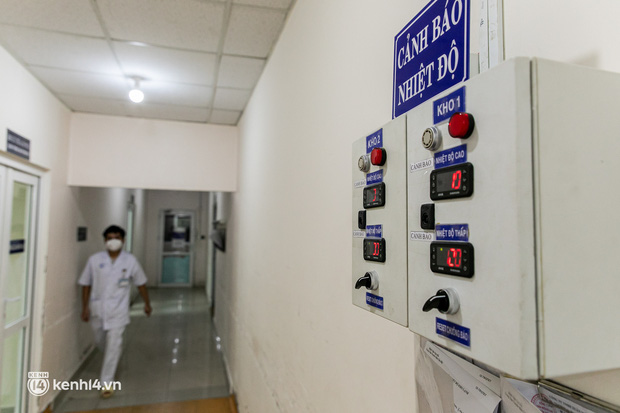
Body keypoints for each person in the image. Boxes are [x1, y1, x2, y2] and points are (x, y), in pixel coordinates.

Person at [78, 225, 152, 398]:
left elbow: (141, 283)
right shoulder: (94, 260)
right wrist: (85, 307)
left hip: (119, 311)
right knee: (100, 342)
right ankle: (111, 359)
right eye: (110, 238)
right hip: (98, 309)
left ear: (123, 240)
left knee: (113, 345)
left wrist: (147, 303)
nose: (113, 241)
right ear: (104, 240)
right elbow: (86, 284)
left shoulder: (130, 261)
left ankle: (107, 382)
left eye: (117, 238)